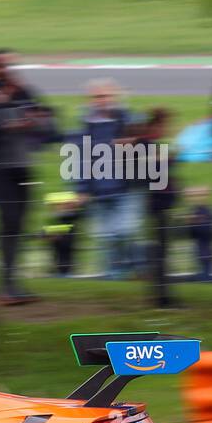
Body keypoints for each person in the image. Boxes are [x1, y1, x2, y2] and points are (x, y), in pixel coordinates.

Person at [0, 49, 54, 303]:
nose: (5, 71)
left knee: (19, 224)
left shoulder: (26, 93)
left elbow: (49, 127)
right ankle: (5, 284)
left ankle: (11, 281)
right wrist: (1, 125)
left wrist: (35, 124)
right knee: (8, 222)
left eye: (9, 66)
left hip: (23, 165)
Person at [76, 78, 140, 278]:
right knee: (106, 236)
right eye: (97, 96)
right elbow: (79, 159)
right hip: (99, 190)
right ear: (90, 100)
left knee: (125, 231)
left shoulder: (130, 120)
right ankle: (113, 276)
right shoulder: (85, 126)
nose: (101, 100)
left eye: (106, 95)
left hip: (126, 187)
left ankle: (133, 266)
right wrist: (82, 189)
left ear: (115, 97)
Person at [136, 108, 178, 307]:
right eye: (164, 125)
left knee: (163, 251)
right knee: (160, 251)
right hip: (156, 205)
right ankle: (162, 297)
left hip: (162, 204)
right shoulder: (144, 146)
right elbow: (146, 173)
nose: (167, 129)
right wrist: (167, 160)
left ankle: (163, 294)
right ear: (155, 126)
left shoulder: (152, 146)